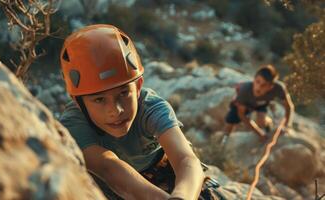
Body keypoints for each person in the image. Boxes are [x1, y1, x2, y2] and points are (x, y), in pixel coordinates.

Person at [59, 24, 217, 200]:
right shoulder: (73, 124)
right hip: (110, 186)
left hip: (160, 169)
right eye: (99, 99)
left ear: (138, 86)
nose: (115, 110)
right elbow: (108, 167)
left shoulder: (150, 107)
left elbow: (185, 159)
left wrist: (181, 197)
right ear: (78, 103)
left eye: (123, 93)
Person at [222, 65, 294, 145]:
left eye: (264, 85)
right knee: (231, 120)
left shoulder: (279, 89)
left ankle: (267, 124)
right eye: (257, 82)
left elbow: (288, 106)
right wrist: (259, 133)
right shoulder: (245, 90)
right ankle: (224, 139)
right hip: (245, 103)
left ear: (270, 87)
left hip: (262, 103)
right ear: (254, 79)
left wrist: (287, 125)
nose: (258, 87)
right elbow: (241, 115)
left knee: (261, 122)